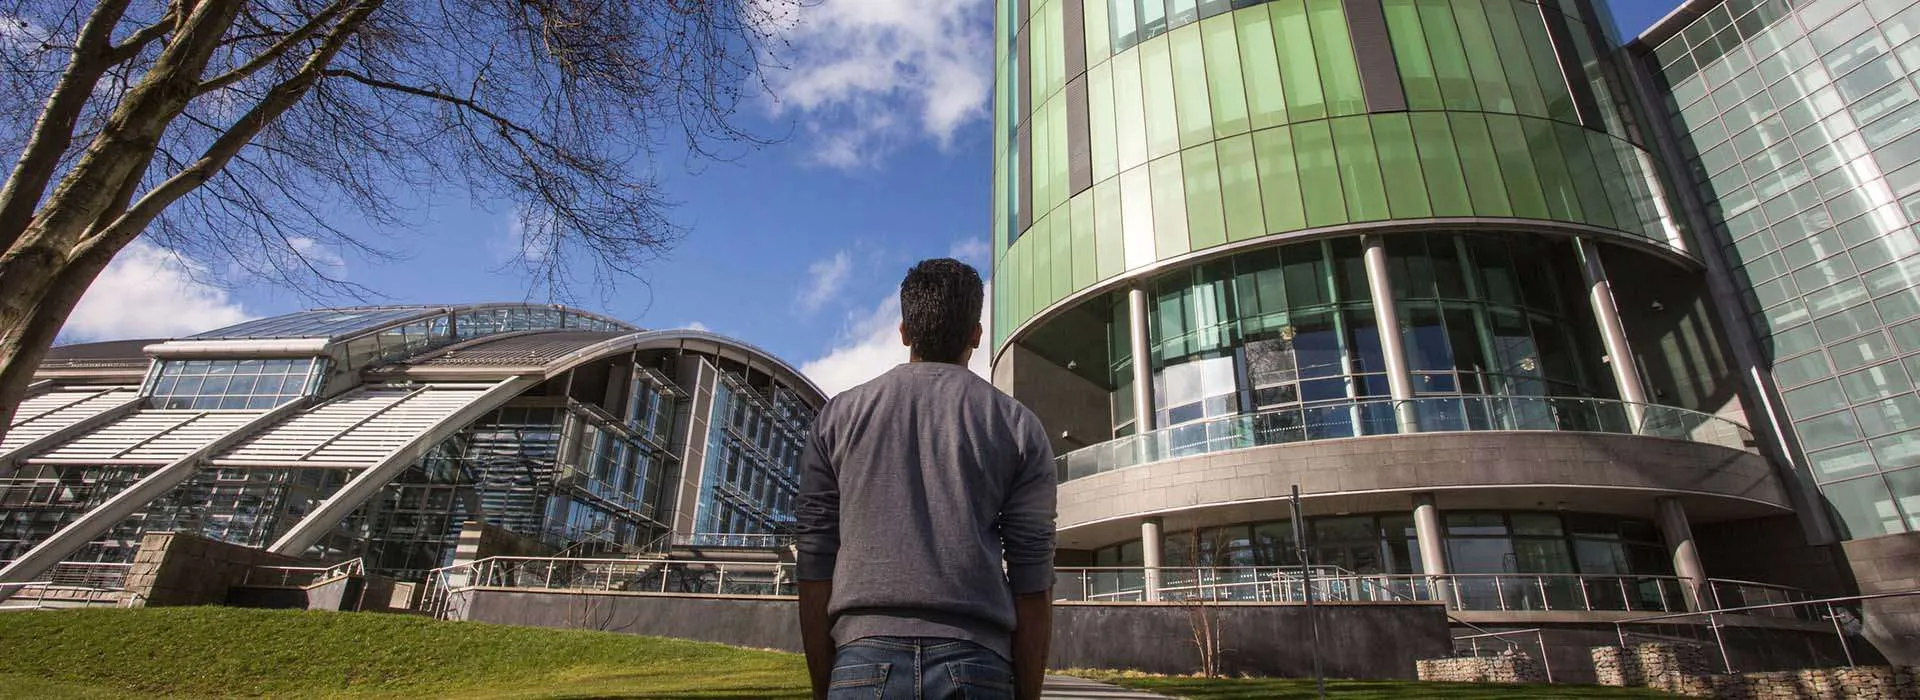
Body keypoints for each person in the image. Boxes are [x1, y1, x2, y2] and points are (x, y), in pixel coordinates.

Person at [795, 258, 1057, 700]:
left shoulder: (837, 419)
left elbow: (814, 566)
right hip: (978, 665)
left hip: (860, 663)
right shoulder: (1018, 427)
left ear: (903, 332)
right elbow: (1033, 583)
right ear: (976, 334)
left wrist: (828, 686)